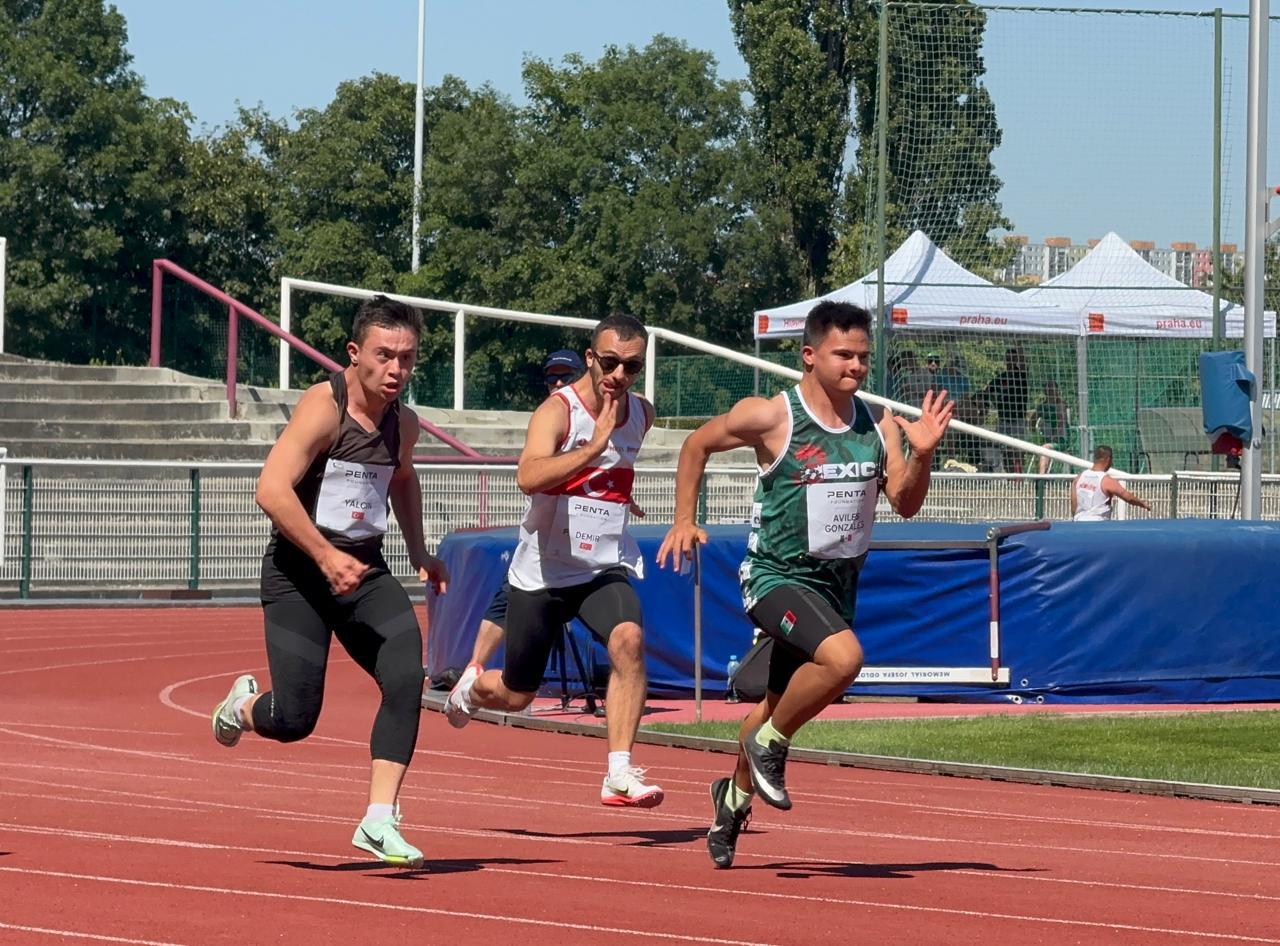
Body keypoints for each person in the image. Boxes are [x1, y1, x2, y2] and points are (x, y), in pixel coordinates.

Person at [656, 300, 952, 869]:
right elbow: (696, 445)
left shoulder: (878, 424)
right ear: (810, 355)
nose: (856, 366)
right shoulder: (772, 416)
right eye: (844, 355)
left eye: (863, 356)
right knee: (844, 661)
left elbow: (905, 502)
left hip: (834, 588)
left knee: (771, 706)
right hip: (774, 577)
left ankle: (731, 798)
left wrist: (923, 453)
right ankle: (771, 745)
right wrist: (684, 518)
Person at [210, 294, 449, 868]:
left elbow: (403, 478)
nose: (397, 370)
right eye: (385, 355)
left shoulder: (404, 423)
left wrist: (419, 550)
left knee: (405, 674)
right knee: (294, 719)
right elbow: (271, 490)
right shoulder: (325, 406)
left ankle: (378, 820)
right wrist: (323, 555)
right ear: (354, 352)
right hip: (299, 575)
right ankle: (241, 707)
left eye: (407, 358)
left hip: (363, 571)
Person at [443, 312, 665, 808]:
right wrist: (593, 448)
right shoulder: (558, 411)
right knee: (517, 695)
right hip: (542, 573)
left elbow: (614, 470)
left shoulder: (642, 414)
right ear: (590, 357)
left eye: (631, 366)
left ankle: (618, 772)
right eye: (609, 362)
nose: (619, 375)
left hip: (599, 567)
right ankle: (471, 690)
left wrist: (615, 493)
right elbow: (528, 477)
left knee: (629, 639)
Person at [463, 349, 588, 672]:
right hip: (542, 538)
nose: (557, 383)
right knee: (507, 597)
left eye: (565, 377)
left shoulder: (593, 414)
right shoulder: (548, 416)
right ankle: (473, 670)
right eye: (551, 378)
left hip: (585, 538)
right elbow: (530, 476)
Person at [1071, 445, 1151, 520]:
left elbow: (1074, 504)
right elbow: (1128, 497)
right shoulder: (1106, 480)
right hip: (1098, 522)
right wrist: (1142, 503)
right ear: (1108, 459)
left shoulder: (1079, 478)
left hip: (1079, 521)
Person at [984, 346, 1030, 473]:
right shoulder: (1001, 378)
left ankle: (1019, 476)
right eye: (1008, 358)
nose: (1010, 361)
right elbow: (987, 391)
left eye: (1013, 358)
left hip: (1018, 419)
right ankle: (1008, 474)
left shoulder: (1021, 376)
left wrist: (1018, 342)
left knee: (1018, 449)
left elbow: (1024, 362)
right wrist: (995, 401)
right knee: (1004, 449)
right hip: (1003, 419)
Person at [1031, 380, 1069, 475]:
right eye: (1048, 389)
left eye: (1052, 389)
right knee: (1036, 447)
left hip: (1060, 441)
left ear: (1057, 390)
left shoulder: (1060, 405)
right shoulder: (1042, 406)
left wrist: (1053, 437)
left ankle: (1041, 477)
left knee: (1045, 447)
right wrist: (1035, 435)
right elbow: (1033, 420)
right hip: (1045, 440)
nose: (1050, 392)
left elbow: (1061, 421)